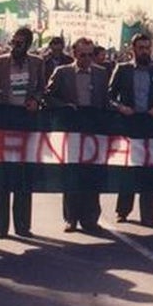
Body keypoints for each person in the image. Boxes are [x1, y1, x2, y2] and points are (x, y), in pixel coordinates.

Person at [0, 27, 46, 238]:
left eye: (20, 43)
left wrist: (36, 100)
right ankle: (1, 227)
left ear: (28, 45)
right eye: (13, 42)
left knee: (24, 174)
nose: (15, 46)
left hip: (26, 121)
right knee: (2, 175)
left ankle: (23, 225)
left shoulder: (37, 63)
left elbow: (42, 88)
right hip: (2, 121)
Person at [43, 37, 110, 234]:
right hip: (71, 129)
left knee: (92, 174)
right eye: (83, 55)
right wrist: (65, 106)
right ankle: (71, 218)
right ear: (74, 54)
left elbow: (106, 101)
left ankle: (91, 219)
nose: (87, 59)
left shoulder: (101, 73)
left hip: (93, 131)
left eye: (90, 55)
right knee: (72, 174)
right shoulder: (62, 72)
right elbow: (48, 96)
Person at [108, 33, 153, 226]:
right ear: (133, 49)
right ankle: (123, 211)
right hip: (129, 124)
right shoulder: (123, 70)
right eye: (140, 48)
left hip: (151, 125)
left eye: (147, 48)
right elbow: (109, 97)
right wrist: (120, 108)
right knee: (128, 169)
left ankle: (149, 216)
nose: (144, 51)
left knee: (150, 171)